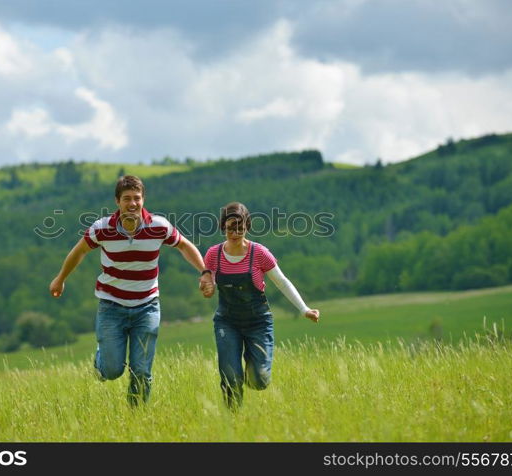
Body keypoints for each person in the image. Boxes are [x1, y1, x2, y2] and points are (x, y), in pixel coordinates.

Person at [49, 175, 213, 406]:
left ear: (143, 200)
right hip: (111, 306)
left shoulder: (158, 226)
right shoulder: (102, 228)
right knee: (111, 370)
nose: (132, 203)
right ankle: (101, 360)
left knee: (142, 370)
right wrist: (60, 278)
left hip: (147, 307)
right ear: (117, 201)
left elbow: (184, 246)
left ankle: (137, 417)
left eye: (137, 198)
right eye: (127, 198)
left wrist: (205, 271)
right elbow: (79, 252)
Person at [199, 202, 320, 410]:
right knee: (230, 376)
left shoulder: (259, 253)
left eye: (240, 226)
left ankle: (251, 365)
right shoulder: (213, 254)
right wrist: (205, 286)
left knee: (259, 380)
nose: (235, 232)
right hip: (227, 321)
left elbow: (282, 281)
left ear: (247, 226)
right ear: (223, 228)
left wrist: (304, 309)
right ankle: (233, 419)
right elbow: (206, 281)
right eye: (230, 227)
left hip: (258, 322)